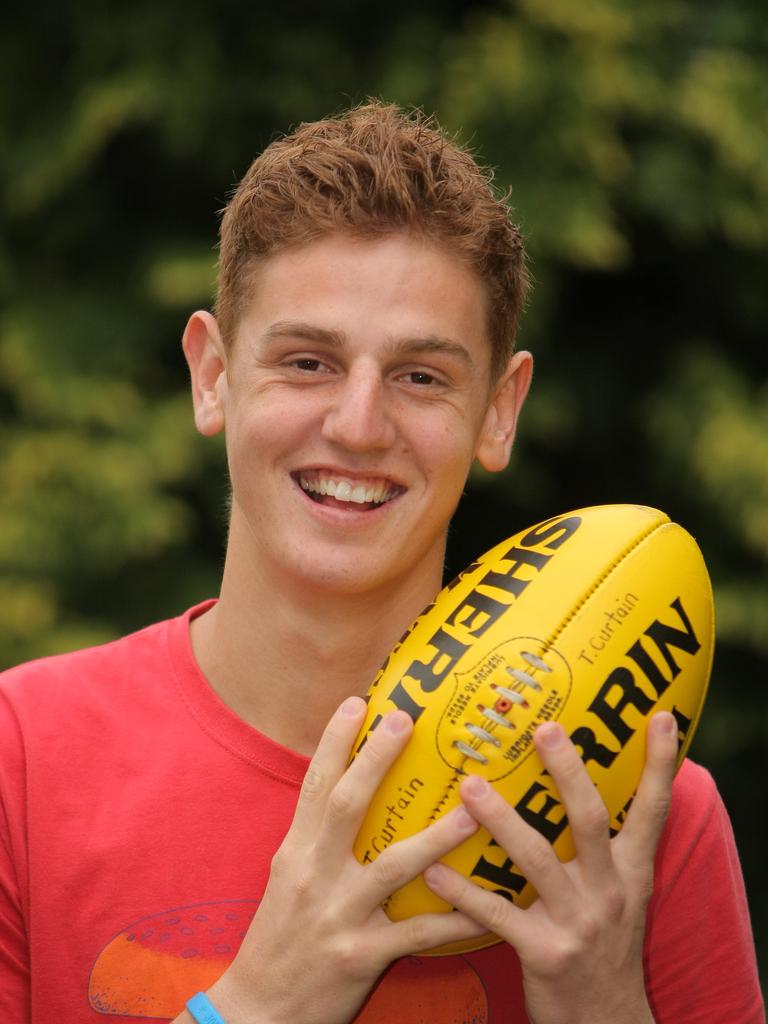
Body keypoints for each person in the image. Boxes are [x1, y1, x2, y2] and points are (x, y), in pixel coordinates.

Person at [0, 102, 762, 1024]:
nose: (359, 425)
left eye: (421, 376)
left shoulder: (635, 812)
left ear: (499, 410)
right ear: (212, 374)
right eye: (308, 362)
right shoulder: (22, 763)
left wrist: (604, 1005)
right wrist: (256, 1007)